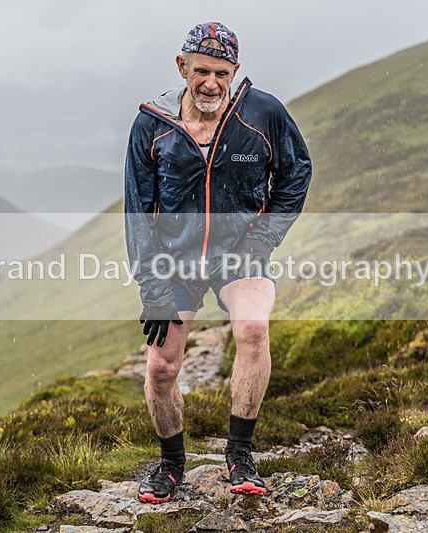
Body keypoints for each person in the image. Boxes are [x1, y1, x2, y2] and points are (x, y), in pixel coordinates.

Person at [124, 21, 311, 504]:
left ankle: (240, 454)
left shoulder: (263, 113)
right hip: (175, 261)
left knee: (253, 330)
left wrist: (262, 239)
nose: (211, 83)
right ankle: (170, 465)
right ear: (182, 66)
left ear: (236, 71)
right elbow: (139, 212)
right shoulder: (152, 123)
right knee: (163, 367)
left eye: (221, 73)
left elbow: (296, 173)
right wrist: (153, 289)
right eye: (201, 71)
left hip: (239, 254)